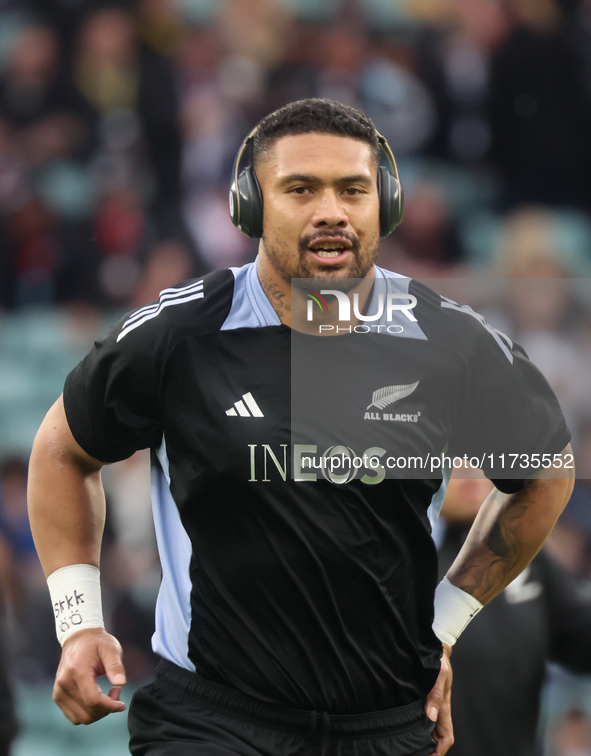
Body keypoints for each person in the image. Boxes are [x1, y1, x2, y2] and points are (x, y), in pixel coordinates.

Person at [27, 99, 574, 756]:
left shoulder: (450, 342)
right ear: (249, 207)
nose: (331, 211)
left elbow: (544, 474)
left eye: (353, 190)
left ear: (386, 205)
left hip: (387, 727)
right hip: (210, 724)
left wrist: (444, 625)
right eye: (300, 189)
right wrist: (79, 620)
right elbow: (62, 450)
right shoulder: (180, 336)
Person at [436, 473, 591, 756]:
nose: (468, 467)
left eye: (474, 452)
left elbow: (582, 639)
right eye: (449, 458)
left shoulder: (526, 558)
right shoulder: (409, 569)